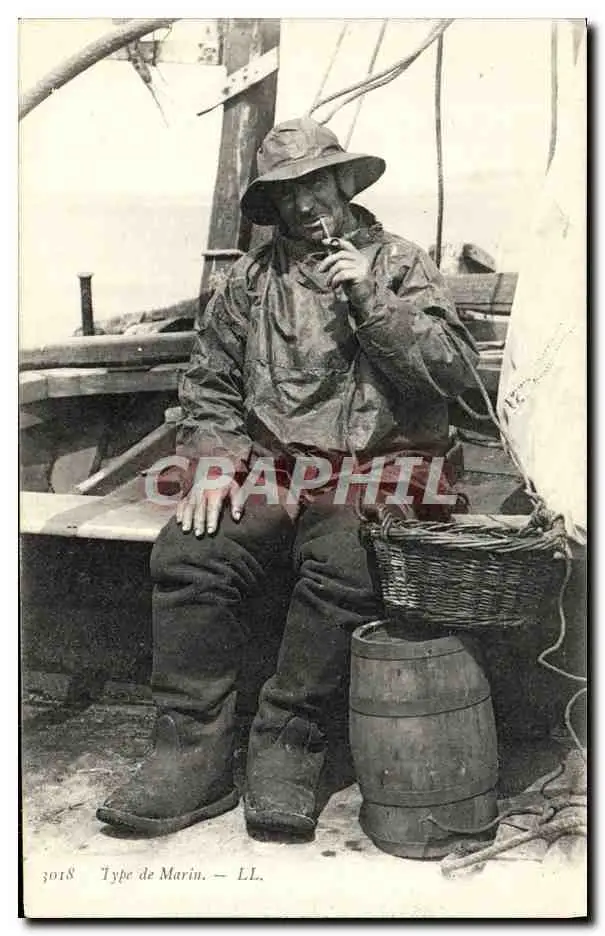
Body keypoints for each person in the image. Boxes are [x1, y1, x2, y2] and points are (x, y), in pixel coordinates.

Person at [97, 117, 478, 838]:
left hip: (381, 466)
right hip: (277, 465)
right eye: (285, 193)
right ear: (270, 206)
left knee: (345, 562)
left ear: (343, 181)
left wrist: (371, 298)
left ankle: (289, 743)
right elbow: (210, 379)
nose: (304, 204)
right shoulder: (249, 279)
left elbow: (452, 374)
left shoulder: (400, 262)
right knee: (191, 552)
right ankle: (191, 755)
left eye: (315, 184)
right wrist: (214, 460)